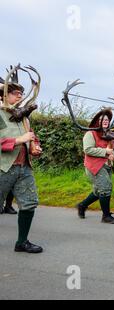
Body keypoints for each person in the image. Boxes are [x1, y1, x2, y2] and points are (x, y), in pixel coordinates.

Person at [0, 74, 43, 253]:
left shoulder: (24, 117)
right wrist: (19, 140)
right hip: (3, 168)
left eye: (21, 93)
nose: (20, 96)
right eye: (16, 93)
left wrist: (35, 147)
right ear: (4, 95)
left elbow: (31, 137)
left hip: (23, 168)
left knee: (29, 203)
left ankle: (22, 242)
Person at [77, 109, 114, 224]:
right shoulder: (90, 133)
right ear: (97, 121)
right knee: (105, 188)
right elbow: (88, 149)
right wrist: (105, 152)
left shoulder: (110, 134)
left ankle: (82, 205)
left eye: (106, 119)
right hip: (94, 166)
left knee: (98, 191)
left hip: (107, 166)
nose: (105, 121)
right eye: (102, 119)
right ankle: (106, 216)